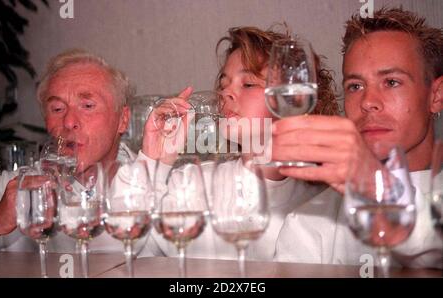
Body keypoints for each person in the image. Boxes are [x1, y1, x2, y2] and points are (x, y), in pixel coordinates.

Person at [138, 26, 340, 261]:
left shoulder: (325, 200)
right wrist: (152, 161)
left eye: (248, 84)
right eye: (223, 85)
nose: (226, 94)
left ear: (294, 98)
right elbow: (123, 252)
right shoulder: (189, 185)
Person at [273, 7, 442, 268]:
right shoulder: (310, 222)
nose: (368, 102)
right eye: (355, 86)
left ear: (436, 95)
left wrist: (376, 187)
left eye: (391, 82)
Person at [0, 49, 159, 255]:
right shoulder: (14, 190)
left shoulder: (160, 186)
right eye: (57, 109)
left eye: (87, 105)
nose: (69, 122)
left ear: (123, 119)